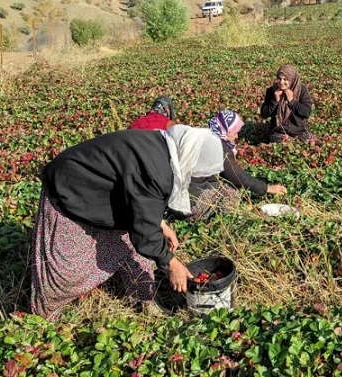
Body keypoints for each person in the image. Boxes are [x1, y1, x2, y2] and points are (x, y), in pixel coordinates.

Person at [31, 129, 192, 320]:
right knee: (66, 272)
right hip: (69, 190)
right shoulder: (156, 163)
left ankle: (144, 301)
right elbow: (146, 227)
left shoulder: (165, 154)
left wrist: (160, 223)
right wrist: (171, 263)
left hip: (103, 196)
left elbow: (141, 199)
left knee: (134, 249)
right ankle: (41, 320)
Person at [164, 113, 287, 221]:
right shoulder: (218, 146)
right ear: (226, 130)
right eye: (235, 132)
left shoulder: (203, 136)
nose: (237, 136)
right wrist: (267, 188)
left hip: (171, 197)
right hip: (189, 205)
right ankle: (215, 218)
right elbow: (237, 177)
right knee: (231, 192)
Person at [260, 65, 313, 143]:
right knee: (281, 145)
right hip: (278, 131)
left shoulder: (301, 91)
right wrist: (275, 101)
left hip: (298, 131)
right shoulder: (271, 91)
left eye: (285, 79)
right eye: (279, 78)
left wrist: (292, 101)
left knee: (309, 143)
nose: (281, 82)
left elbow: (307, 113)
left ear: (292, 80)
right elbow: (264, 114)